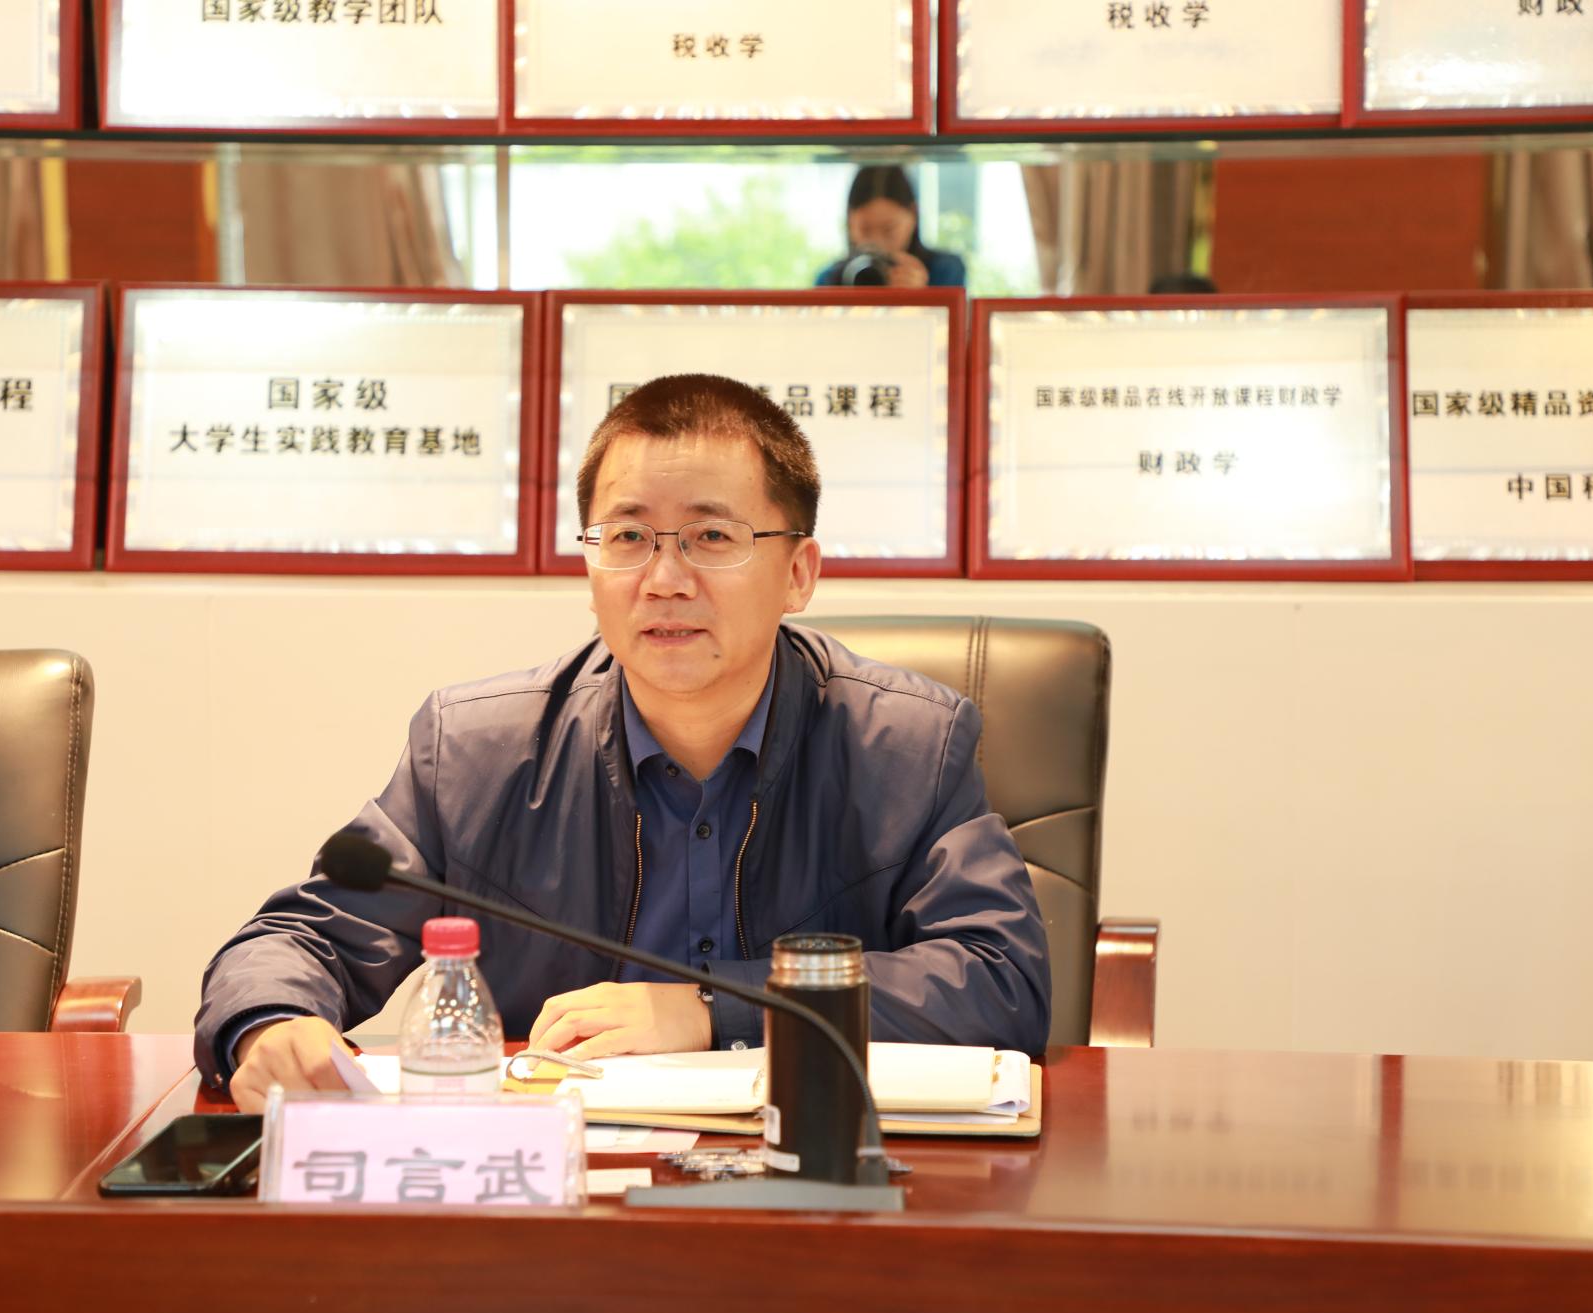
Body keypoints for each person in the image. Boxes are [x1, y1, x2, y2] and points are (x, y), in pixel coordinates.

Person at [197, 373, 1049, 1110]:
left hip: (817, 1174)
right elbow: (299, 939)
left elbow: (1001, 979)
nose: (664, 579)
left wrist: (715, 1008)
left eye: (712, 537)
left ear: (799, 573)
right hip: (562, 1188)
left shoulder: (909, 746)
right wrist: (270, 1022)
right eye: (629, 537)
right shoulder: (475, 753)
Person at [814, 165, 967, 289]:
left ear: (913, 214)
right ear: (849, 221)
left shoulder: (945, 271)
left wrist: (923, 298)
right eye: (865, 229)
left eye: (889, 230)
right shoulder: (829, 279)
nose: (876, 242)